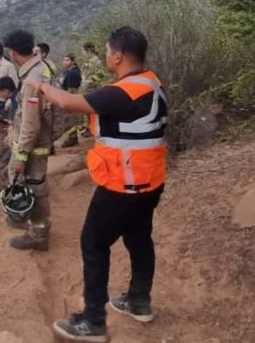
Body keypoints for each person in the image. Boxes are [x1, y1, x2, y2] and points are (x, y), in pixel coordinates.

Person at [25, 26, 167, 343]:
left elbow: (70, 103)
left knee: (93, 244)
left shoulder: (123, 92)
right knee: (139, 237)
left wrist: (40, 86)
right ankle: (138, 301)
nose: (105, 56)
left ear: (117, 56)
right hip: (149, 183)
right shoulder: (152, 83)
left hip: (121, 186)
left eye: (106, 51)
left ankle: (93, 321)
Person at [4, 29, 56, 250]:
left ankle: (38, 235)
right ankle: (33, 225)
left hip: (33, 146)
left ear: (13, 52)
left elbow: (31, 124)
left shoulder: (31, 80)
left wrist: (21, 155)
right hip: (41, 140)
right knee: (34, 184)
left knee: (34, 186)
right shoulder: (43, 67)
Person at [55, 54, 83, 147]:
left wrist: (66, 99)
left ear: (72, 62)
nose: (64, 62)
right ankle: (72, 137)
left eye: (67, 60)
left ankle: (72, 138)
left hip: (71, 98)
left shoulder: (73, 73)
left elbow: (72, 89)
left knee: (71, 119)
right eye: (64, 60)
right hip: (69, 97)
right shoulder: (69, 72)